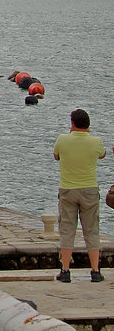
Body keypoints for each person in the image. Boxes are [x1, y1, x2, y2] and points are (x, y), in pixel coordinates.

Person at [54, 108, 106, 282]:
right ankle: (95, 271)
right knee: (91, 230)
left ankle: (65, 270)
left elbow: (56, 156)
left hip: (68, 189)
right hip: (90, 190)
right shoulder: (96, 141)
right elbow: (102, 155)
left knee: (67, 229)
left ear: (72, 123)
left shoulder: (62, 140)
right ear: (88, 125)